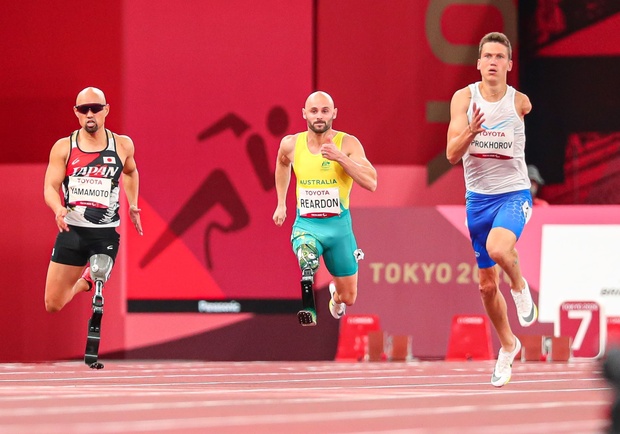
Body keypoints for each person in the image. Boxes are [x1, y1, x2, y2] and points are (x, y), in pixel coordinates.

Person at [446, 32, 538, 387]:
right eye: (488, 56)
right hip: (478, 201)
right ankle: (508, 346)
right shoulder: (464, 99)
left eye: (500, 57)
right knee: (486, 286)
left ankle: (519, 285)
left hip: (513, 194)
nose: (493, 62)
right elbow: (451, 154)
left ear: (509, 65)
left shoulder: (520, 103)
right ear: (479, 63)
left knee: (500, 249)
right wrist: (471, 131)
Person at [272, 91, 377, 326]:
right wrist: (281, 203)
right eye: (314, 111)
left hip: (339, 230)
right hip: (307, 225)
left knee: (349, 297)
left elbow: (371, 182)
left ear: (334, 114)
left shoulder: (348, 144)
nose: (319, 116)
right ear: (304, 114)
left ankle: (335, 298)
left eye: (325, 111)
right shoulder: (291, 144)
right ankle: (308, 303)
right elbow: (282, 163)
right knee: (307, 257)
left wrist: (341, 158)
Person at [43, 87, 143, 313]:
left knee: (100, 269)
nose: (90, 114)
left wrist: (133, 203)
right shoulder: (64, 147)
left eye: (95, 109)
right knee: (53, 304)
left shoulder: (122, 145)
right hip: (72, 231)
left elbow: (130, 171)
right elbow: (50, 187)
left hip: (103, 234)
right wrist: (57, 208)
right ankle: (86, 282)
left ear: (106, 110)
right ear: (76, 112)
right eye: (84, 109)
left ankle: (94, 275)